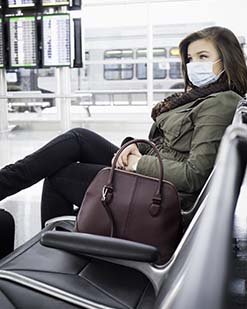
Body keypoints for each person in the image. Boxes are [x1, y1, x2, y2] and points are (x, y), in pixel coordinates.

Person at [0, 26, 247, 229]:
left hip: (163, 196)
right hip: (155, 175)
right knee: (79, 137)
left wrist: (137, 163)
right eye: (190, 58)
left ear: (226, 60)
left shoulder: (221, 102)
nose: (194, 64)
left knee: (59, 176)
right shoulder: (204, 97)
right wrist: (133, 149)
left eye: (203, 57)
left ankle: (53, 253)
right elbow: (169, 144)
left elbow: (195, 175)